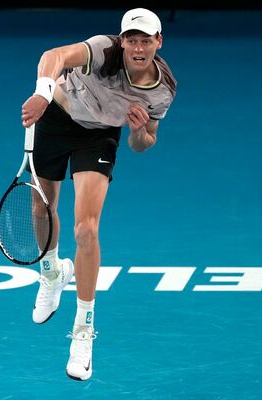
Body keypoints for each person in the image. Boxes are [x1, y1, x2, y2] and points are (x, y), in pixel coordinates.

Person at [21, 8, 177, 381]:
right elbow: (54, 56)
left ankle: (83, 331)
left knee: (86, 230)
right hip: (55, 118)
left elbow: (145, 143)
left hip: (99, 137)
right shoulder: (104, 50)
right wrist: (43, 93)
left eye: (145, 41)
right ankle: (52, 273)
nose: (138, 48)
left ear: (158, 42)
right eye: (132, 40)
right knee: (42, 209)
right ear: (122, 41)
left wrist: (139, 132)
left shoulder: (163, 89)